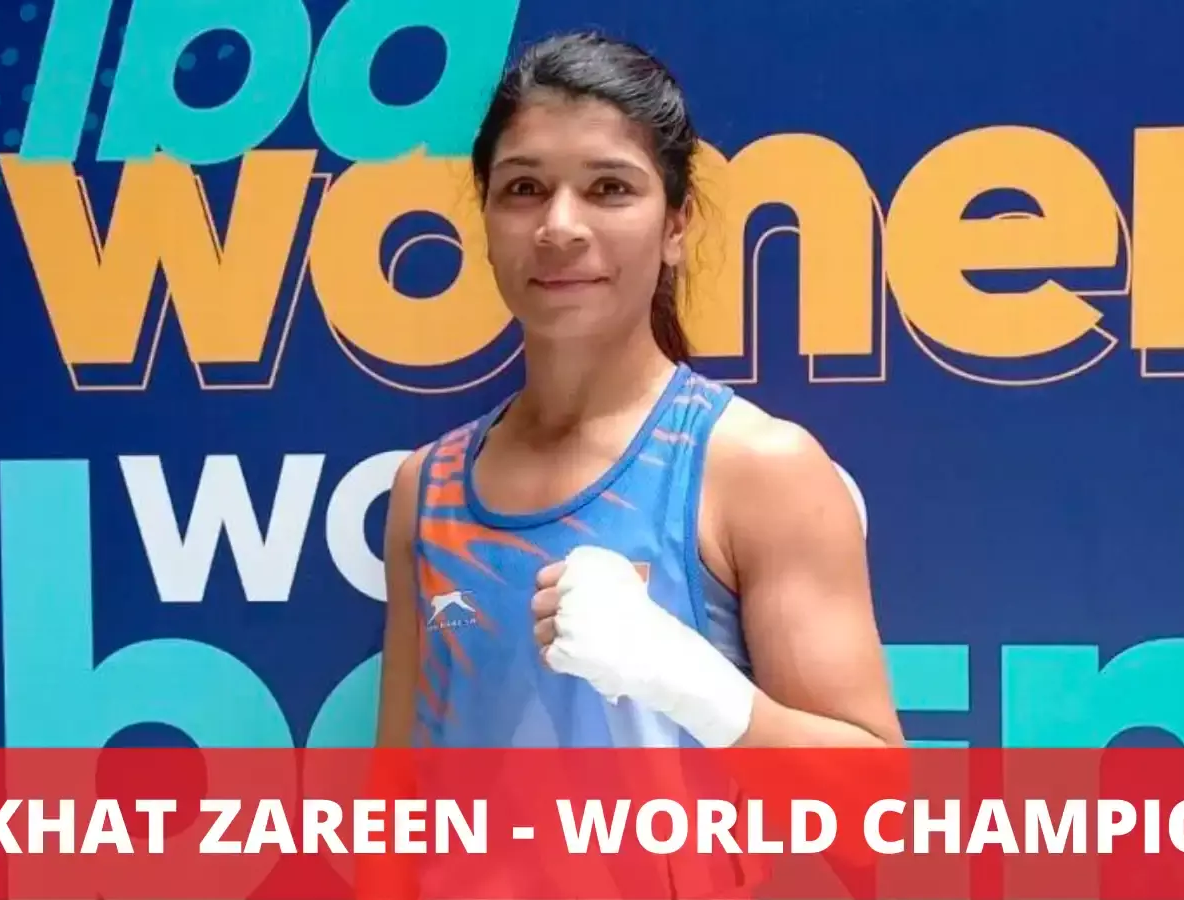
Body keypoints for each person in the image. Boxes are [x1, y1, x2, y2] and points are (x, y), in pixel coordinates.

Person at [375, 31, 903, 755]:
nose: (560, 227)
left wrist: (696, 687)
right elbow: (396, 798)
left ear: (675, 225)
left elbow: (872, 799)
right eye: (524, 189)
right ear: (487, 220)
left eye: (609, 188)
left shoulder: (755, 468)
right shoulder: (426, 488)